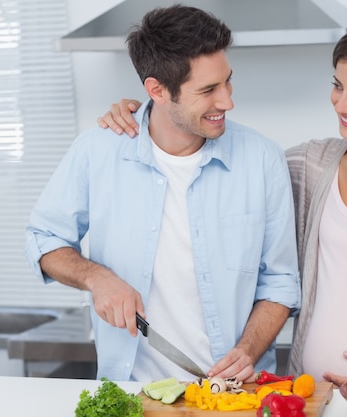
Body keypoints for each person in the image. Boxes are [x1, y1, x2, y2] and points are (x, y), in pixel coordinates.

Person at [97, 19, 347, 386]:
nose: (342, 105)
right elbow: (212, 162)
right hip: (308, 398)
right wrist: (150, 114)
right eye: (338, 86)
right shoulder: (305, 168)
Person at [26, 5, 301, 384]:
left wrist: (247, 351)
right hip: (132, 393)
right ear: (156, 90)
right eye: (207, 90)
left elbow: (280, 282)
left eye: (227, 82)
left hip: (237, 397)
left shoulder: (262, 159)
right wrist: (96, 278)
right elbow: (44, 240)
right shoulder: (97, 151)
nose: (227, 101)